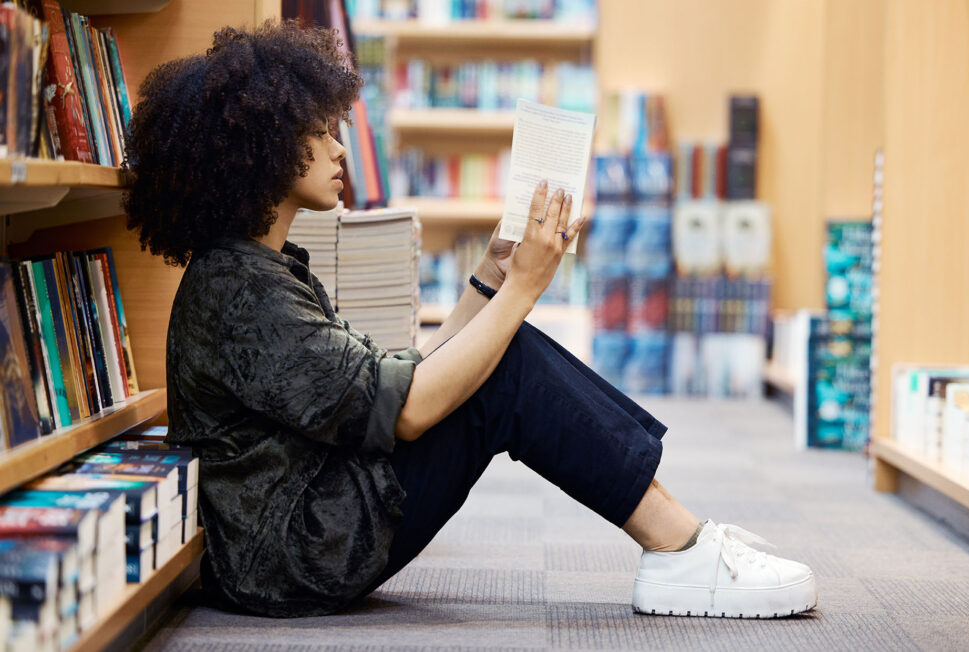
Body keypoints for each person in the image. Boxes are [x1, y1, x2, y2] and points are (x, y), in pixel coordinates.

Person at [124, 20, 817, 620]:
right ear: (260, 151)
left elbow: (397, 387)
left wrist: (490, 279)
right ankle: (680, 548)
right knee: (506, 366)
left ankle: (682, 537)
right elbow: (413, 413)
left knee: (498, 357)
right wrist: (523, 291)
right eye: (318, 132)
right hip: (298, 556)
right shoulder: (244, 294)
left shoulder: (254, 272)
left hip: (303, 525)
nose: (340, 150)